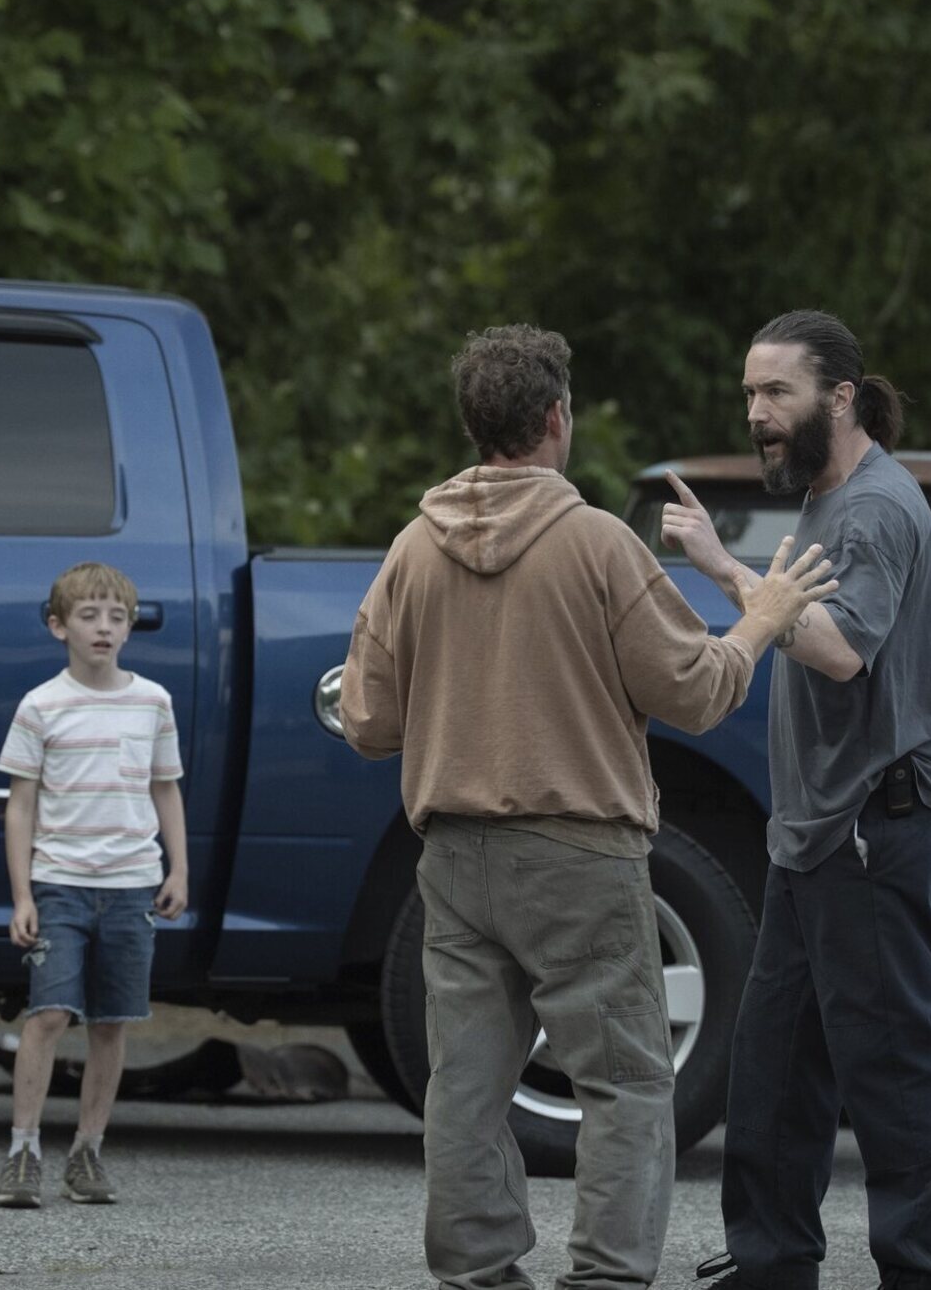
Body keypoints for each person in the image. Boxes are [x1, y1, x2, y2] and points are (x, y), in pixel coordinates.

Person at [339, 324, 837, 1290]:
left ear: (474, 423)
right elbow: (696, 690)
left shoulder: (411, 549)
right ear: (557, 417)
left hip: (452, 854)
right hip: (580, 850)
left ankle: (480, 1272)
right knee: (625, 1080)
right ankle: (605, 1277)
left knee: (467, 1086)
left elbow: (366, 720)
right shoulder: (598, 544)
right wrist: (765, 617)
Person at [662, 311, 931, 1290]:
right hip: (814, 834)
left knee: (889, 1063)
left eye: (775, 393)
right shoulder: (826, 496)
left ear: (838, 395)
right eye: (749, 393)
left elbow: (839, 650)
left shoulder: (873, 509)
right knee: (773, 1063)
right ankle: (771, 1261)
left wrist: (720, 570)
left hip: (871, 828)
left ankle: (922, 1273)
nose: (756, 413)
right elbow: (806, 622)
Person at [0, 561, 189, 1209]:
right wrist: (23, 893)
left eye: (116, 616)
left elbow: (166, 787)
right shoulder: (41, 705)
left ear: (130, 627)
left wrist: (177, 868)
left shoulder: (152, 702)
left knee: (112, 1020)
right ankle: (23, 1150)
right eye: (88, 615)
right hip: (61, 883)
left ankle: (89, 1149)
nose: (104, 627)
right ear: (58, 626)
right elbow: (20, 804)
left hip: (132, 886)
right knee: (48, 1013)